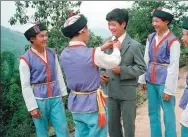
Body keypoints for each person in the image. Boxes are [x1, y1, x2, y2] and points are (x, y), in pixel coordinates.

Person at [60, 12, 121, 137]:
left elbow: (82, 63)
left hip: (76, 104)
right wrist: (116, 48)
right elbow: (113, 61)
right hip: (93, 105)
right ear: (83, 30)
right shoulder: (92, 54)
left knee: (81, 133)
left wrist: (102, 47)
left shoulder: (64, 54)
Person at [100, 8, 146, 137]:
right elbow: (101, 63)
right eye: (109, 24)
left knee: (129, 126)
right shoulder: (107, 42)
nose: (111, 28)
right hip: (111, 92)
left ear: (123, 24)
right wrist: (101, 74)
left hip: (127, 93)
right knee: (113, 127)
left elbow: (142, 67)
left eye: (113, 24)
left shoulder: (134, 45)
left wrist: (122, 70)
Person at [19, 23, 70, 137]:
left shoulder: (52, 53)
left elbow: (58, 74)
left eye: (46, 35)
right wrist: (32, 107)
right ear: (32, 39)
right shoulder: (25, 59)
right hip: (39, 100)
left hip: (56, 97)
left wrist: (63, 93)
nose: (45, 38)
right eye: (41, 36)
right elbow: (25, 85)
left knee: (62, 127)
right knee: (42, 131)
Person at [138, 7, 180, 137]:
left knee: (168, 115)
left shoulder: (173, 41)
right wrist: (142, 79)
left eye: (157, 21)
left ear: (166, 21)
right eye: (153, 21)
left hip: (164, 82)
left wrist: (169, 89)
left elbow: (174, 65)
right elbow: (145, 59)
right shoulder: (150, 37)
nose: (154, 24)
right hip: (151, 79)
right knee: (153, 113)